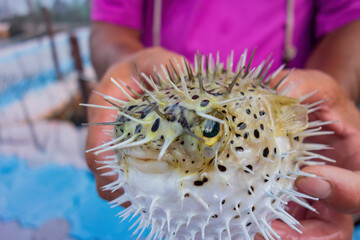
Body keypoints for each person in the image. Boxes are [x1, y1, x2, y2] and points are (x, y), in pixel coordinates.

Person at [87, 0, 360, 239]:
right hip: (160, 89)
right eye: (125, 129)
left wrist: (325, 95)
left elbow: (351, 20)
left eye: (209, 131)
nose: (154, 150)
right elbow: (109, 28)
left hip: (281, 94)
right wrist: (127, 63)